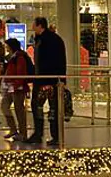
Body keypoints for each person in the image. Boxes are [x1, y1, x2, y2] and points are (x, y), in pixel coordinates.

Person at [25, 17, 66, 146]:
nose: (32, 27)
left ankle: (41, 133)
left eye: (34, 25)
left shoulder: (47, 40)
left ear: (40, 26)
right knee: (49, 108)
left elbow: (53, 61)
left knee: (42, 107)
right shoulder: (50, 39)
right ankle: (51, 135)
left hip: (46, 79)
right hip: (48, 79)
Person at [1, 38, 30, 142]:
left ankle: (22, 133)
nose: (6, 47)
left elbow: (21, 72)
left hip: (17, 87)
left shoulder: (19, 57)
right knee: (4, 106)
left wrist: (17, 84)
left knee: (19, 110)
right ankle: (13, 129)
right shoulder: (13, 56)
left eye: (7, 45)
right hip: (10, 86)